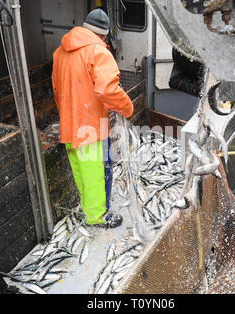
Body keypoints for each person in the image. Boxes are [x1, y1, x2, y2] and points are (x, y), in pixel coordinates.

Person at [52, 9, 134, 229]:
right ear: (103, 34)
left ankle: (88, 208)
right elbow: (107, 90)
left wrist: (69, 115)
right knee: (97, 173)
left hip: (69, 125)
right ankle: (97, 217)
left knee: (81, 172)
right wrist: (127, 108)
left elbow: (57, 88)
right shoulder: (98, 52)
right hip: (91, 128)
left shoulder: (60, 52)